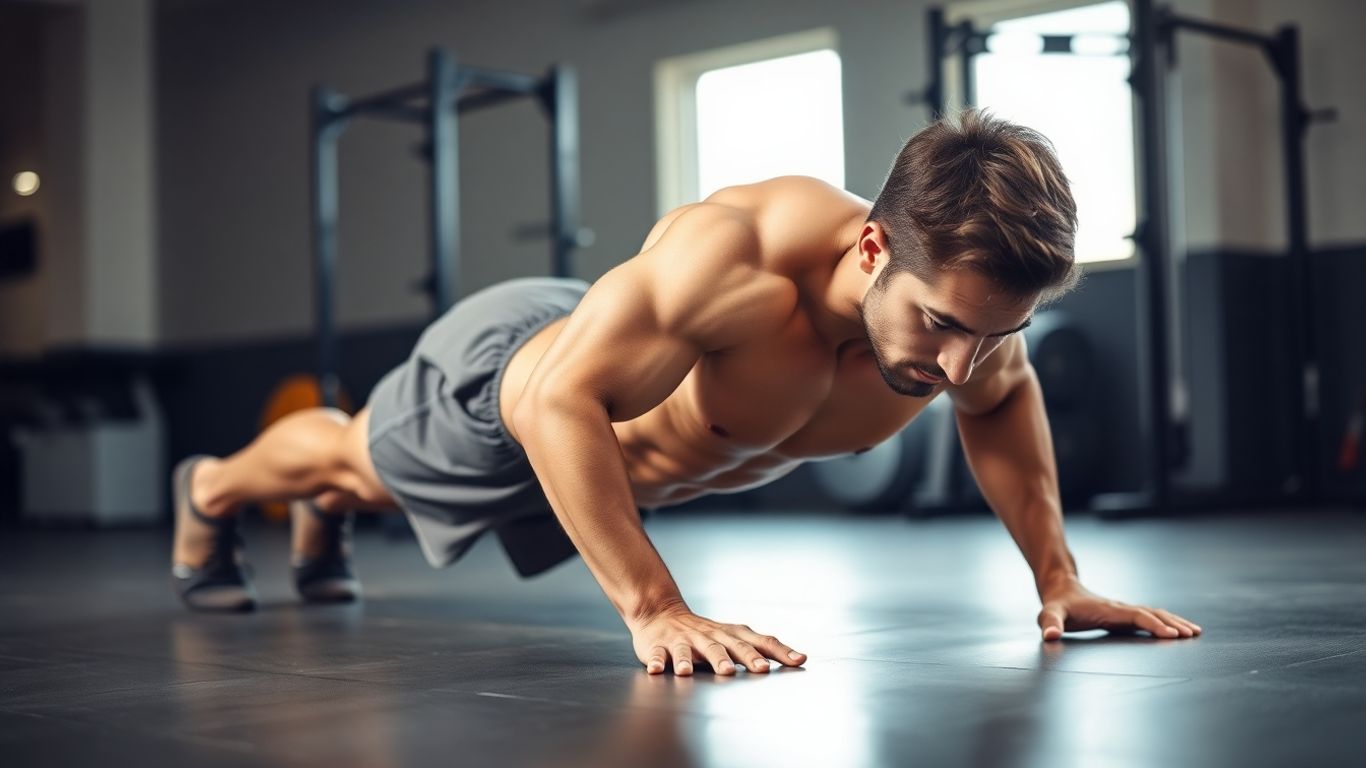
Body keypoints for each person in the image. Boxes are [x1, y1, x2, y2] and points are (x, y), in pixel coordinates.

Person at [170, 109, 1202, 677]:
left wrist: (1054, 579)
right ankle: (212, 491)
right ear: (872, 246)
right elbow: (554, 399)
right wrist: (655, 608)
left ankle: (323, 518)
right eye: (939, 325)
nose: (956, 370)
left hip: (615, 441)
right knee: (359, 462)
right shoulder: (739, 257)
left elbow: (1002, 406)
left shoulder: (967, 328)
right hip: (524, 383)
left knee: (360, 488)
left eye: (996, 334)